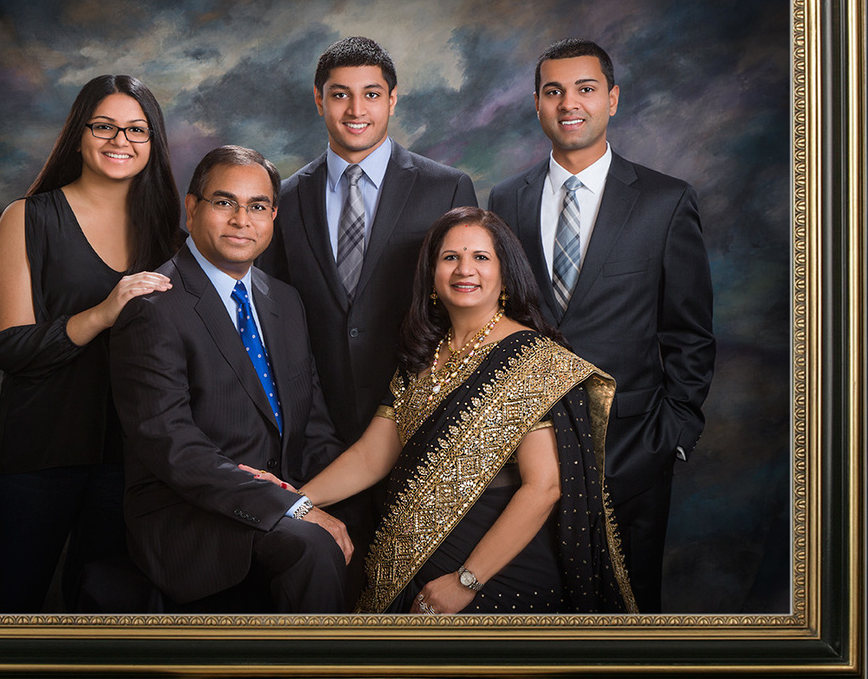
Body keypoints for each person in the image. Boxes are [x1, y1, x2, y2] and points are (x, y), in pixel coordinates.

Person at [245, 207, 635, 615]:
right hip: (411, 564)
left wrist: (466, 580)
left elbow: (544, 488)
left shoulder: (534, 361)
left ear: (505, 273)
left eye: (481, 257)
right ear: (432, 274)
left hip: (499, 574)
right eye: (451, 257)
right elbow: (371, 456)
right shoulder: (423, 358)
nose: (465, 269)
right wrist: (295, 500)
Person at [487, 38, 716, 613]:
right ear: (537, 104)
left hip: (634, 449)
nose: (570, 103)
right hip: (528, 452)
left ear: (612, 99)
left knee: (628, 617)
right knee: (538, 611)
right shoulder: (506, 199)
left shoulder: (665, 201)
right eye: (554, 91)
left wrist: (675, 434)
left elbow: (689, 332)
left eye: (585, 89)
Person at [108, 146, 351, 613]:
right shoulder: (153, 308)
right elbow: (174, 448)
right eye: (224, 202)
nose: (242, 220)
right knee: (312, 546)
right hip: (195, 514)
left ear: (273, 216)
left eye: (257, 206)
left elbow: (314, 427)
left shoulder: (284, 301)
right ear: (192, 208)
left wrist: (345, 495)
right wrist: (291, 506)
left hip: (285, 495)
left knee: (378, 518)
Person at [0, 74, 184, 612]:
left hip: (134, 462)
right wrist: (102, 314)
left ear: (153, 142)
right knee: (4, 611)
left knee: (107, 620)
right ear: (78, 134)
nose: (120, 141)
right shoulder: (27, 218)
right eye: (104, 126)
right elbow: (8, 346)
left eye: (136, 129)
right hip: (40, 452)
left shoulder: (170, 237)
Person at [259, 36, 478, 449]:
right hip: (316, 428)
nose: (356, 110)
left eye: (372, 95)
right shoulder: (284, 200)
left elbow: (474, 310)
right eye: (340, 95)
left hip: (423, 419)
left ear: (392, 100)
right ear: (319, 100)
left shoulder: (446, 189)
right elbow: (273, 314)